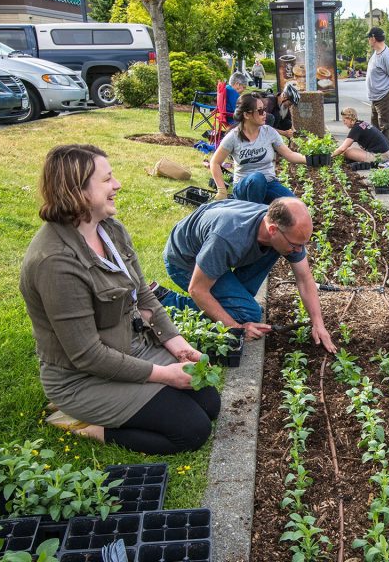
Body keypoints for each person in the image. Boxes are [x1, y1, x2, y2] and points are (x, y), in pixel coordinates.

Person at [19, 144, 220, 455]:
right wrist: (165, 375)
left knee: (209, 402)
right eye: (107, 179)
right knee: (192, 431)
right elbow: (87, 355)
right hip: (82, 378)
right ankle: (82, 422)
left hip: (131, 349)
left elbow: (145, 296)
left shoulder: (110, 229)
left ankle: (142, 393)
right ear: (78, 191)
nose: (117, 185)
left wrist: (179, 345)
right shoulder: (56, 262)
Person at [158, 197, 337, 353]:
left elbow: (305, 279)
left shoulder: (278, 230)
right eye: (296, 244)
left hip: (212, 251)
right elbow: (197, 289)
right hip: (184, 258)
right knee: (247, 313)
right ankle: (162, 300)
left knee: (244, 306)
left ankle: (234, 304)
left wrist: (318, 323)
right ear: (273, 230)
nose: (299, 250)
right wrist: (236, 328)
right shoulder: (229, 237)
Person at [208, 93, 308, 203]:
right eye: (260, 111)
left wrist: (310, 159)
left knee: (295, 205)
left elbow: (290, 155)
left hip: (269, 184)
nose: (265, 114)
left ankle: (262, 208)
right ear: (246, 115)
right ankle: (254, 212)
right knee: (257, 178)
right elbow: (215, 162)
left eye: (264, 110)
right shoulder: (234, 136)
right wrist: (222, 190)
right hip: (244, 187)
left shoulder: (269, 132)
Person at [366, 26, 389, 138]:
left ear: (373, 38)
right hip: (375, 97)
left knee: (384, 127)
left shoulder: (385, 55)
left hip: (384, 96)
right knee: (375, 127)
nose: (368, 41)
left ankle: (386, 153)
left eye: (368, 38)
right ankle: (377, 152)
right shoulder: (376, 53)